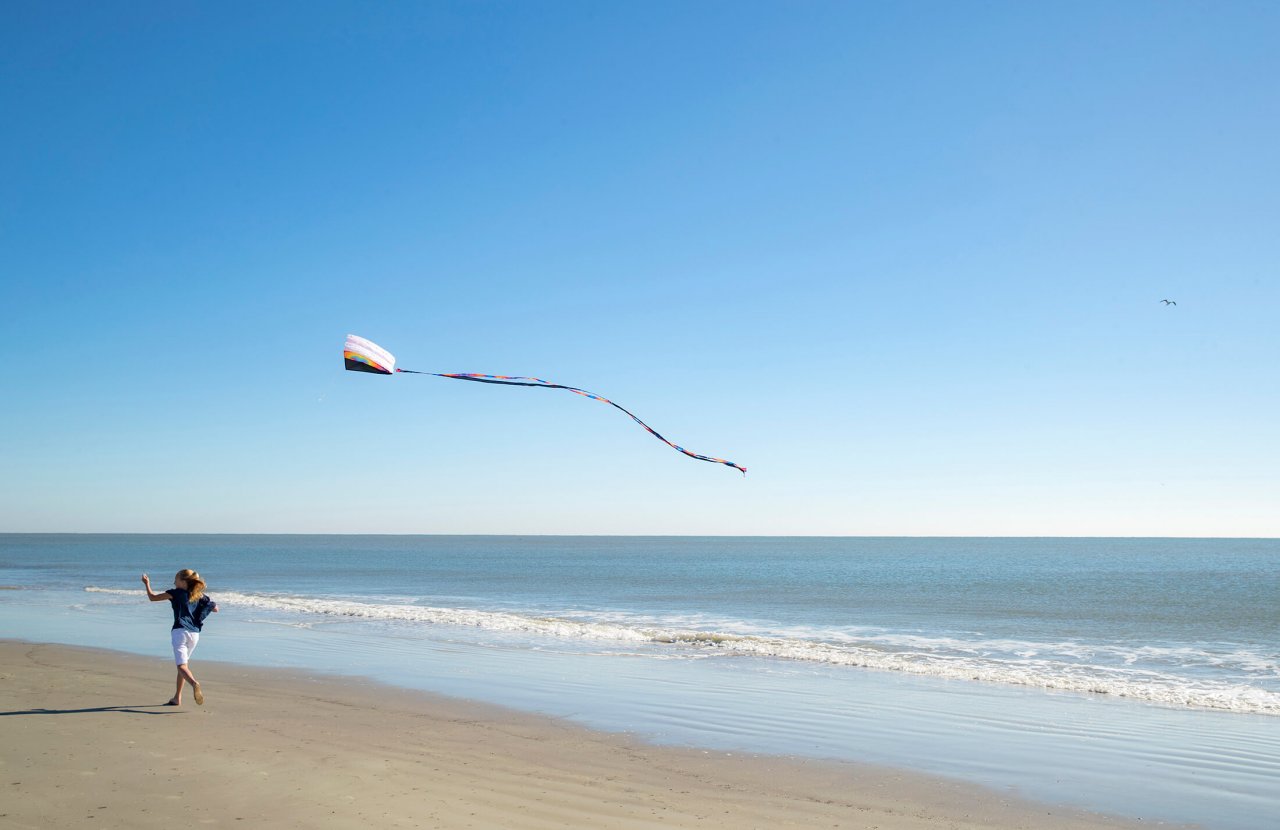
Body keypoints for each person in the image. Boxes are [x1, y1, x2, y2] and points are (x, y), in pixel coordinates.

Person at [141, 569, 218, 706]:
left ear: (183, 582)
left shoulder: (175, 593)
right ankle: (177, 697)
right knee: (184, 666)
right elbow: (215, 608)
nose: (173, 582)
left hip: (180, 632)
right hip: (194, 634)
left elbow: (152, 597)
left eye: (175, 579)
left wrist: (147, 583)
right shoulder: (199, 595)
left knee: (181, 666)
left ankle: (194, 683)